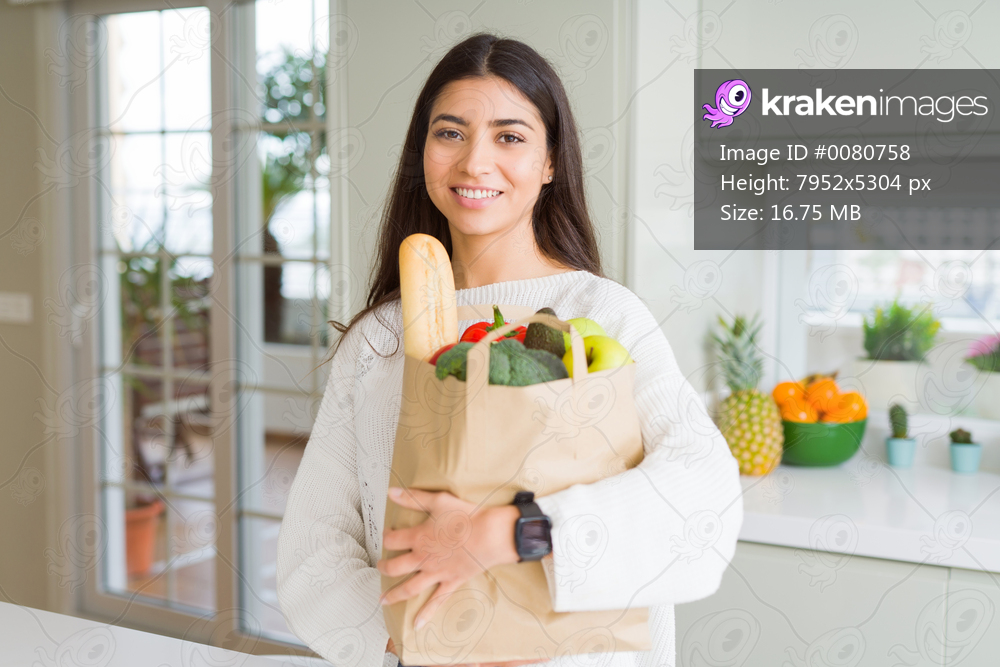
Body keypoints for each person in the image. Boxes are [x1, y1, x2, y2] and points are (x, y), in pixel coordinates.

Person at [276, 32, 743, 667]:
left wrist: (510, 532)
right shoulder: (380, 340)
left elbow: (702, 493)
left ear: (551, 162)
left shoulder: (601, 316)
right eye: (450, 133)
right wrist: (408, 632)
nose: (474, 163)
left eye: (510, 136)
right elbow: (314, 544)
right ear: (423, 153)